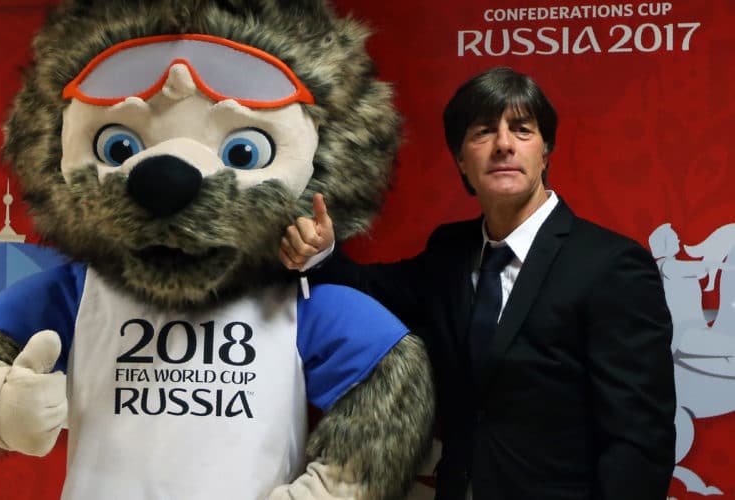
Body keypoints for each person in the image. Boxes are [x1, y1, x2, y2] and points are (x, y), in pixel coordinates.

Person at [280, 67, 676, 500]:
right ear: (461, 161)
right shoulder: (449, 252)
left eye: (522, 130)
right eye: (484, 131)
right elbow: (367, 288)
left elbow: (639, 438)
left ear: (545, 152)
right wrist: (320, 250)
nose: (504, 144)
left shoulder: (612, 265)